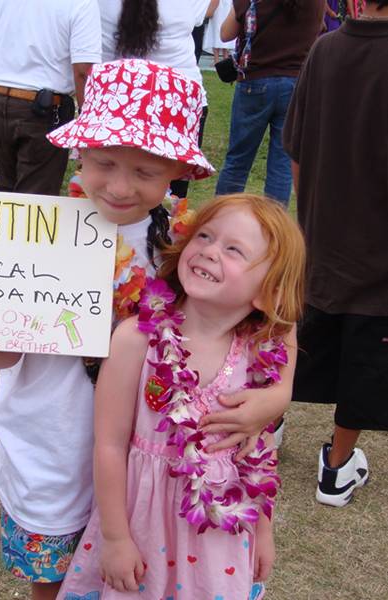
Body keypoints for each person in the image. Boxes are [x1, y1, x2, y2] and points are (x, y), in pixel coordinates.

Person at [0, 59, 293, 600]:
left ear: (175, 172)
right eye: (104, 163)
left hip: (153, 464)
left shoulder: (187, 247)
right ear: (80, 154)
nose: (119, 186)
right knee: (56, 585)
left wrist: (277, 393)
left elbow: (272, 316)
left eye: (144, 172)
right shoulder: (36, 237)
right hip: (55, 448)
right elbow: (3, 348)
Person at [58, 193, 305, 599]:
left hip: (219, 536)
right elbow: (109, 445)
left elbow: (258, 454)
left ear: (266, 292)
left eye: (233, 250)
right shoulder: (136, 341)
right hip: (141, 523)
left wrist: (263, 530)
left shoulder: (257, 355)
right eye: (205, 236)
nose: (209, 251)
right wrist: (116, 538)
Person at [282, 0, 388, 507]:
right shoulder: (324, 48)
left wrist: (309, 222)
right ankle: (337, 467)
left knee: (300, 339)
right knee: (365, 356)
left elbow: (296, 148)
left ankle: (268, 427)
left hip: (323, 234)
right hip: (379, 252)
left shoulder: (324, 49)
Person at [0, 0, 101, 196]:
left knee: (9, 196)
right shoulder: (82, 3)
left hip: (3, 100)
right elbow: (83, 70)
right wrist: (89, 128)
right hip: (44, 109)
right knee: (34, 204)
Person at [215, 0, 324, 207]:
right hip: (296, 83)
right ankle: (274, 229)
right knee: (282, 163)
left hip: (254, 81)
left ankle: (220, 213)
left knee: (238, 159)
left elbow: (225, 34)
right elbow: (318, 31)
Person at [98, 0, 211, 199]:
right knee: (171, 193)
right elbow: (202, 14)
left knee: (109, 191)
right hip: (178, 103)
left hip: (116, 99)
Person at [203, 0, 236, 65]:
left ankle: (225, 58)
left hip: (228, 7)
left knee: (227, 29)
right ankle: (216, 60)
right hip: (217, 8)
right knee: (215, 31)